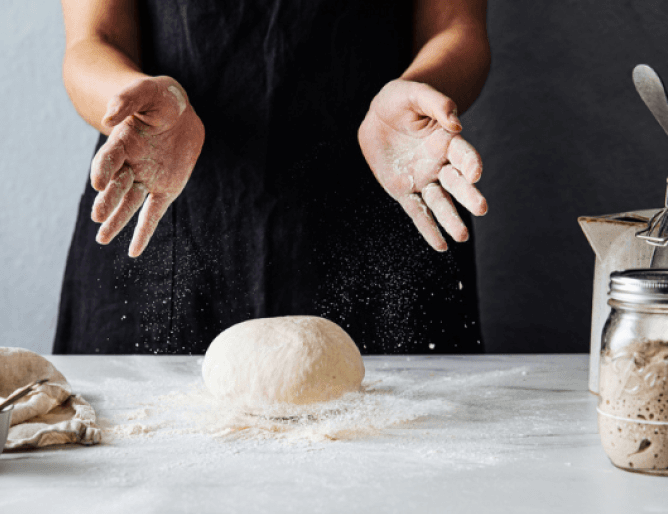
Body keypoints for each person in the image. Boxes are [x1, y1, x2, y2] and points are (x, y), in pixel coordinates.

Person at [53, 0, 490, 355]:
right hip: (167, 205)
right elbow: (93, 40)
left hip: (387, 193)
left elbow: (456, 27)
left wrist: (422, 89)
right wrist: (127, 100)